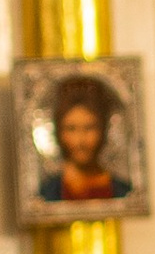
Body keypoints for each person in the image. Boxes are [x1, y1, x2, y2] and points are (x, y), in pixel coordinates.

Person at [34, 73, 122, 207]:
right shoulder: (46, 195)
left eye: (89, 128)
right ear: (59, 131)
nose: (80, 141)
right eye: (71, 129)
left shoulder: (121, 191)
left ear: (103, 129)